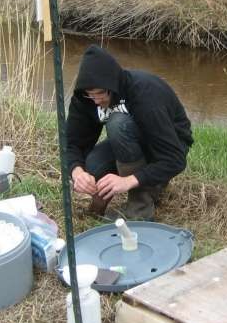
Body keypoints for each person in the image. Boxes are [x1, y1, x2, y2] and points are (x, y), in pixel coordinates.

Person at [63, 45, 193, 221]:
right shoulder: (84, 99)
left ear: (112, 85)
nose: (96, 100)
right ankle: (104, 199)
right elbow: (72, 144)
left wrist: (128, 181)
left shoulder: (144, 93)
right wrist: (77, 172)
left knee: (117, 124)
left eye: (100, 93)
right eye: (90, 94)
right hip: (131, 141)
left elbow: (175, 159)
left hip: (168, 144)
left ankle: (140, 209)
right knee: (92, 165)